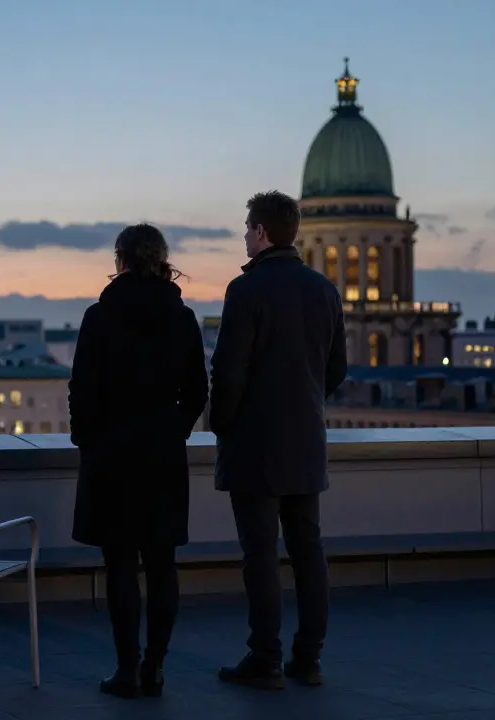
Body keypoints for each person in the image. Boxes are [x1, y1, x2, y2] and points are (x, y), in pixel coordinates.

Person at [210, 190, 347, 689]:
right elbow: (337, 368)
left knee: (261, 555)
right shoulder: (324, 290)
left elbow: (228, 373)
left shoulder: (245, 291)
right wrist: (305, 403)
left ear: (262, 232)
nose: (245, 235)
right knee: (308, 550)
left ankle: (264, 658)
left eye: (248, 227)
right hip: (306, 440)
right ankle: (308, 659)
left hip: (254, 444)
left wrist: (224, 425)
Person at [68, 223, 209, 699]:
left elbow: (81, 391)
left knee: (121, 565)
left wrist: (89, 440)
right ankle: (155, 667)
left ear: (120, 260)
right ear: (161, 260)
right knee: (163, 563)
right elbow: (197, 392)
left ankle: (127, 669)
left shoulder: (99, 316)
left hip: (111, 455)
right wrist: (175, 428)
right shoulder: (182, 317)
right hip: (162, 455)